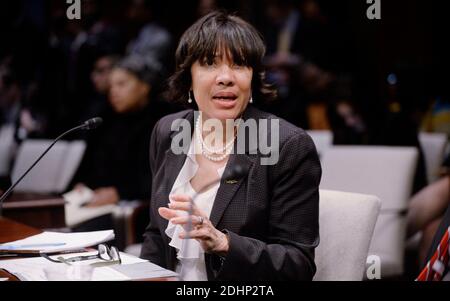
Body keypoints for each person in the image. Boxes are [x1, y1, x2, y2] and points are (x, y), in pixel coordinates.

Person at [140, 11, 321, 281]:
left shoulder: (287, 146)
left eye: (239, 64)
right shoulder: (168, 131)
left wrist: (222, 243)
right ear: (188, 78)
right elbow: (156, 234)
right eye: (210, 64)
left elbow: (297, 264)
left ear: (252, 78)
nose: (225, 77)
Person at [71, 55, 171, 223]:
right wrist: (82, 184)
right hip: (95, 203)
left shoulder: (163, 123)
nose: (114, 92)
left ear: (144, 86)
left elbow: (163, 180)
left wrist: (119, 193)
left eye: (121, 84)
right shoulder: (105, 121)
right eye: (111, 86)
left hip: (138, 212)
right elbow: (90, 168)